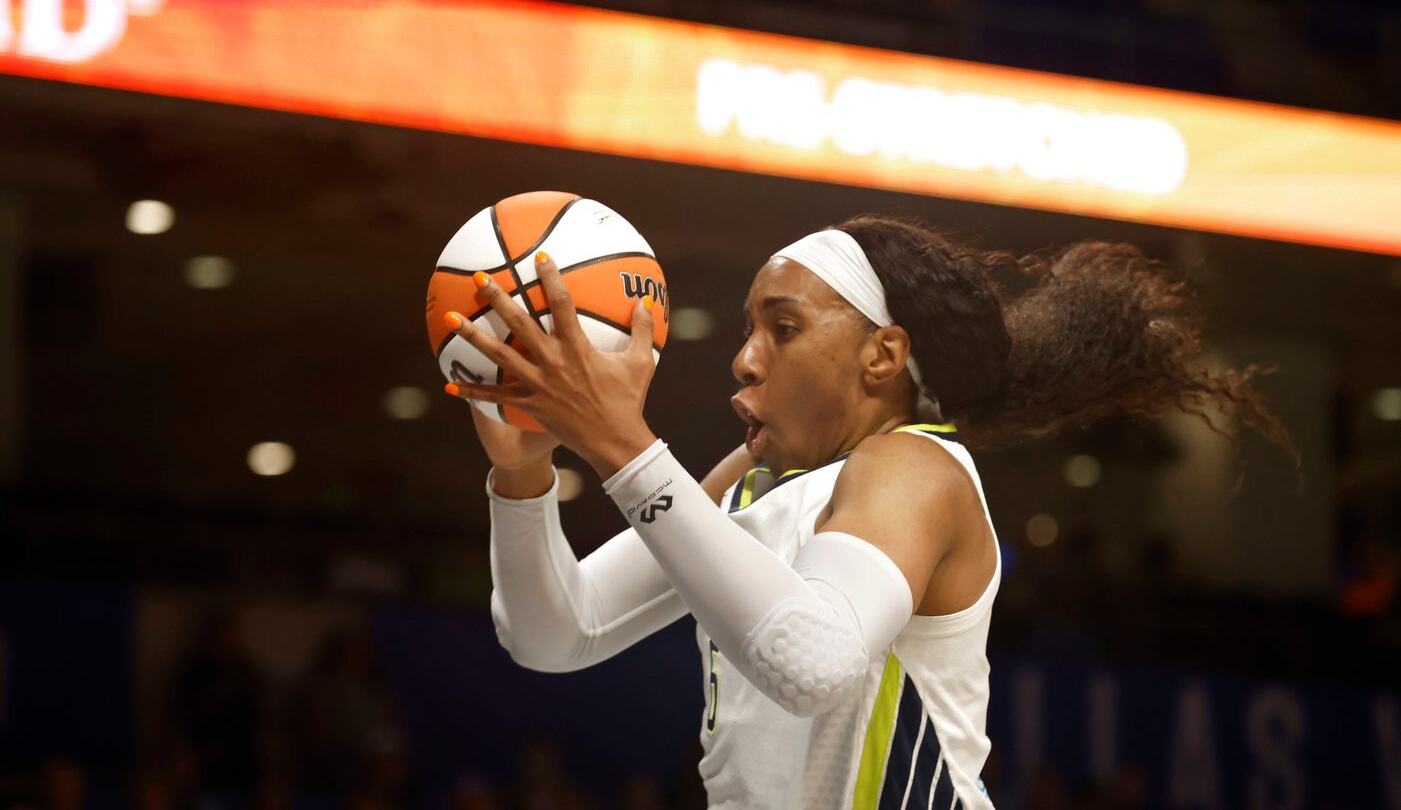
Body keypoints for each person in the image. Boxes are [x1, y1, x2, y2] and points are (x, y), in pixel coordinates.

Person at [442, 215, 1291, 809]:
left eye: (782, 326)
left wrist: (623, 449)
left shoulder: (915, 465)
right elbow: (556, 635)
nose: (742, 359)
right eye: (748, 329)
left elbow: (813, 663)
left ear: (882, 355)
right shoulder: (749, 479)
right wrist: (523, 481)